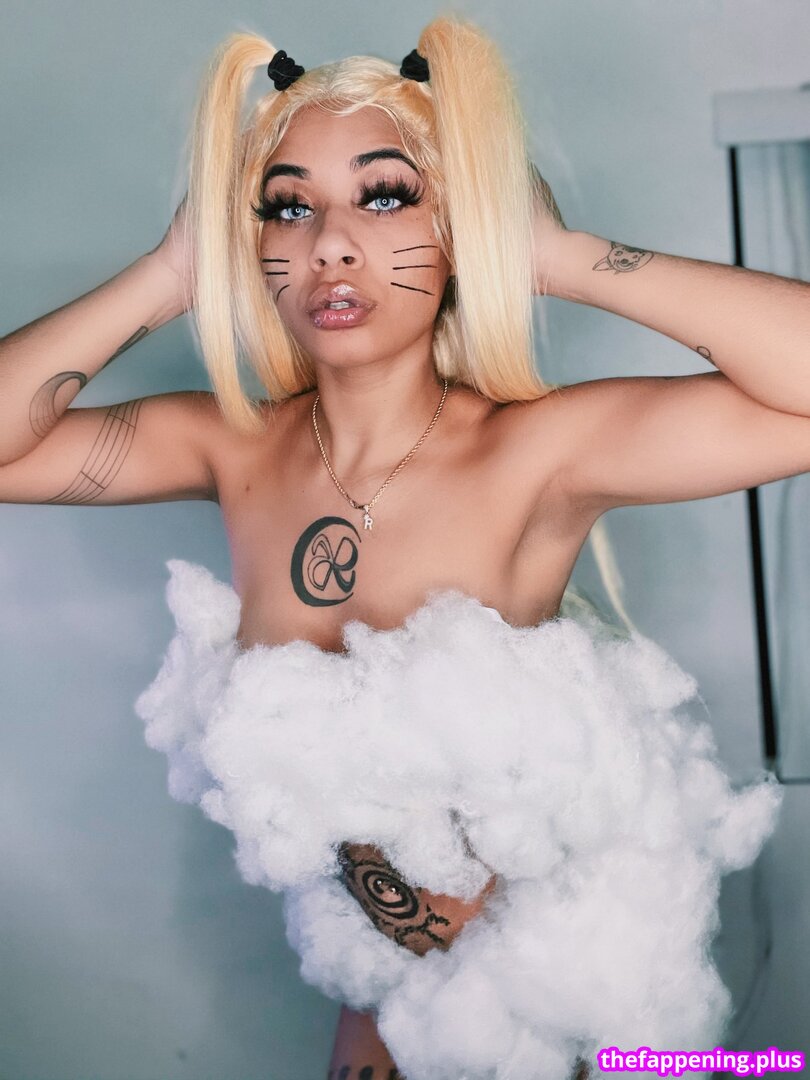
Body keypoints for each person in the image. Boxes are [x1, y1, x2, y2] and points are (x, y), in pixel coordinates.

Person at [0, 12, 801, 1079]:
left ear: (461, 227)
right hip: (379, 1014)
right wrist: (171, 270)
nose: (331, 244)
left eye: (385, 196)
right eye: (287, 207)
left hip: (561, 1020)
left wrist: (557, 256)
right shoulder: (233, 449)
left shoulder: (535, 455)